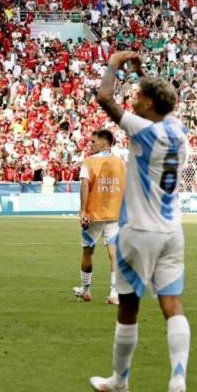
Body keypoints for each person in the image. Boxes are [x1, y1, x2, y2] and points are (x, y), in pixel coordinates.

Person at [89, 51, 192, 392]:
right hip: (172, 232)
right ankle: (178, 381)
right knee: (172, 306)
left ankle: (120, 382)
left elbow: (103, 97)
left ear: (149, 104)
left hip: (138, 232)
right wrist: (143, 75)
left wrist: (116, 62)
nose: (132, 101)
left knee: (128, 307)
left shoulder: (143, 130)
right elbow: (161, 99)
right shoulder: (178, 130)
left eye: (137, 98)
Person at [73, 129, 126, 304]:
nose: (91, 144)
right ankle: (114, 293)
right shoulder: (121, 163)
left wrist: (82, 211)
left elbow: (85, 185)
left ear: (104, 143)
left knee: (88, 251)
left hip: (94, 215)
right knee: (115, 253)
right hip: (115, 215)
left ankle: (86, 290)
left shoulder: (89, 162)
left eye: (94, 142)